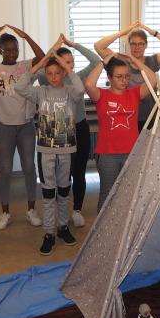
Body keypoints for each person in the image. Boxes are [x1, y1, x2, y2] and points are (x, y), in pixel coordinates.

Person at [14, 40, 84, 255]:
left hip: (66, 150)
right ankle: (48, 233)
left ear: (63, 73)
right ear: (46, 73)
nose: (54, 77)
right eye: (50, 72)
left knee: (64, 190)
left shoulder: (70, 92)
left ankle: (63, 227)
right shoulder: (40, 92)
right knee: (48, 193)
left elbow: (81, 89)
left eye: (58, 72)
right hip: (46, 150)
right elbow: (19, 86)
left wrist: (66, 65)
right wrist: (40, 63)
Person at [0, 24, 45, 231]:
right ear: (1, 51)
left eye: (15, 49)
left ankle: (31, 210)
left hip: (25, 126)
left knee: (29, 168)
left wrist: (27, 36)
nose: (12, 53)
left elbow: (42, 57)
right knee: (4, 170)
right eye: (8, 50)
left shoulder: (25, 66)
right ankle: (5, 212)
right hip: (4, 126)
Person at [35, 34, 102, 228]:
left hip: (79, 128)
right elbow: (40, 66)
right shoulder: (47, 78)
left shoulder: (78, 77)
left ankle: (77, 210)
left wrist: (74, 44)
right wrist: (53, 50)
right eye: (65, 62)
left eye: (72, 62)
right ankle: (59, 214)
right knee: (59, 176)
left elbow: (97, 61)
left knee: (79, 171)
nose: (69, 66)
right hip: (56, 133)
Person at [84, 53, 157, 212]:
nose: (124, 80)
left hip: (131, 153)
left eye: (126, 76)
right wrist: (103, 62)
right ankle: (103, 234)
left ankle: (123, 234)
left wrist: (135, 61)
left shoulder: (134, 94)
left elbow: (153, 80)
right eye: (119, 77)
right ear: (109, 77)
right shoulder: (101, 95)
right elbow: (89, 84)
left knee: (129, 195)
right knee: (107, 196)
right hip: (107, 154)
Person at [94, 20, 160, 129]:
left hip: (149, 117)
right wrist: (124, 32)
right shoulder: (121, 60)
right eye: (133, 43)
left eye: (141, 44)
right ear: (129, 44)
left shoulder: (153, 61)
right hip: (126, 116)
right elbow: (98, 46)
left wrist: (153, 32)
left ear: (146, 45)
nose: (137, 47)